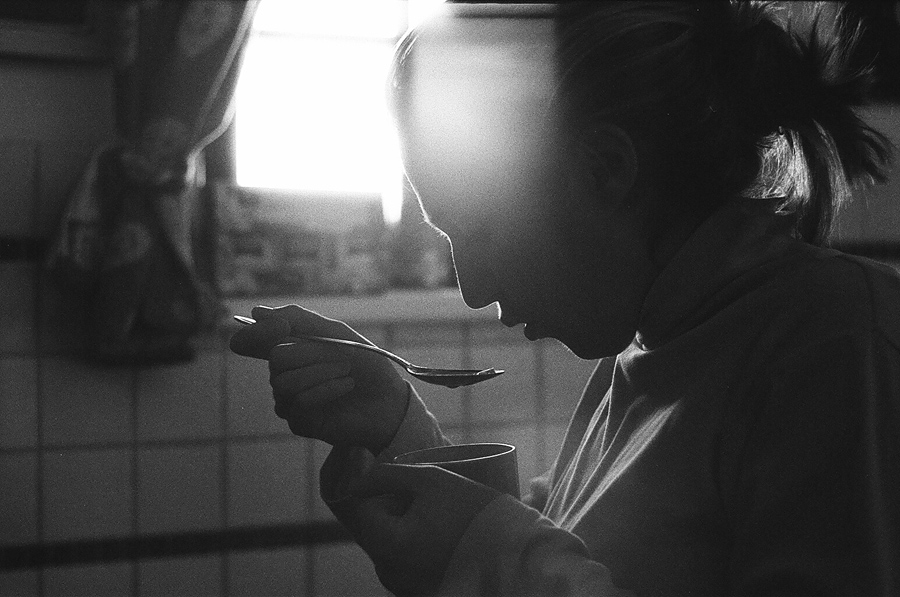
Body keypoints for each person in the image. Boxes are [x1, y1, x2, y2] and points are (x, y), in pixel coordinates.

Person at [230, 2, 900, 595]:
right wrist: (401, 435)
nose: (474, 289)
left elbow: (535, 565)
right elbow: (575, 555)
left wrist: (481, 554)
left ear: (605, 169)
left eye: (481, 230)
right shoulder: (653, 342)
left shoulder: (837, 347)